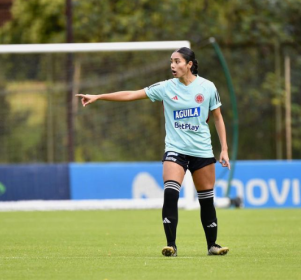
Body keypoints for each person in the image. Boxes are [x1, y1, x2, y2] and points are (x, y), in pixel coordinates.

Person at [76, 47, 230, 257]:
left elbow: (218, 117)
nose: (172, 65)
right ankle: (171, 245)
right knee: (170, 191)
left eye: (177, 61)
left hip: (202, 151)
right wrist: (99, 96)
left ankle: (213, 246)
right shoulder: (166, 87)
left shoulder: (208, 87)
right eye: (171, 61)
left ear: (189, 64)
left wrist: (224, 149)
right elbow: (132, 94)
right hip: (176, 150)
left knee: (206, 198)